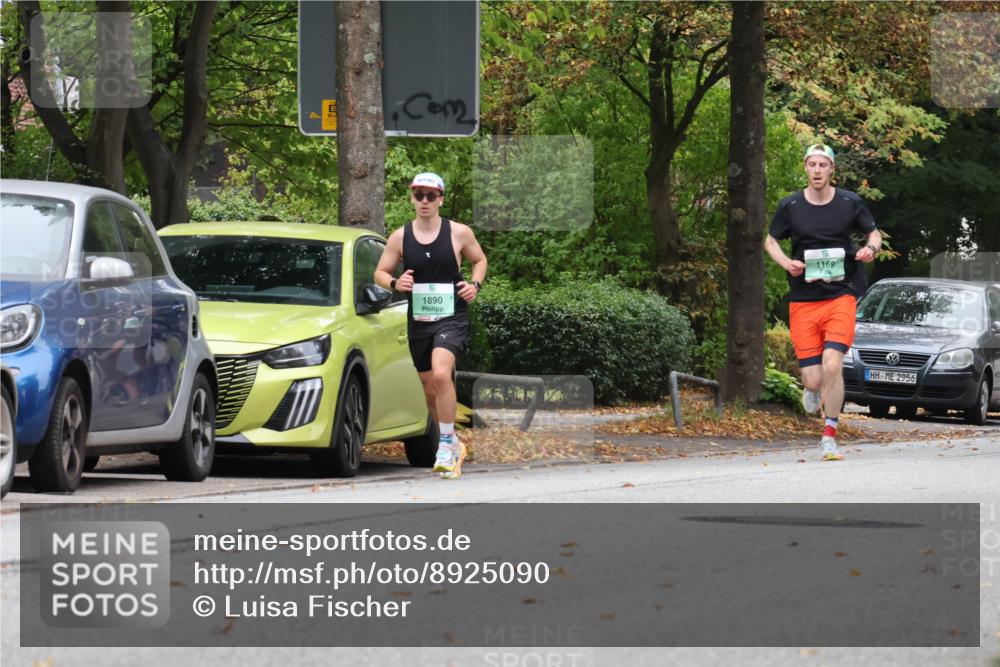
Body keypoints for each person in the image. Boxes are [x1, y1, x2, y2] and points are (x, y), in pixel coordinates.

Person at [764, 144, 882, 461]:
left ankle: (829, 435)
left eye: (823, 165)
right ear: (805, 167)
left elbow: (874, 235)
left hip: (841, 293)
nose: (817, 170)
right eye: (812, 164)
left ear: (832, 169)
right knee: (814, 377)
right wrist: (786, 262)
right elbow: (770, 241)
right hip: (804, 299)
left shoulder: (849, 202)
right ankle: (813, 389)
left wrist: (870, 250)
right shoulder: (790, 205)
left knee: (833, 363)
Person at [374, 172, 488, 479]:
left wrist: (474, 286)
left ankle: (446, 445)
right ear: (412, 198)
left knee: (441, 374)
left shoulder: (458, 232)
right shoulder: (400, 237)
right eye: (419, 195)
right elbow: (380, 272)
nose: (424, 200)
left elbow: (479, 260)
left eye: (431, 195)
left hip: (452, 316)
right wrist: (396, 282)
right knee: (428, 388)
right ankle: (454, 444)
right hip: (419, 320)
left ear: (441, 199)